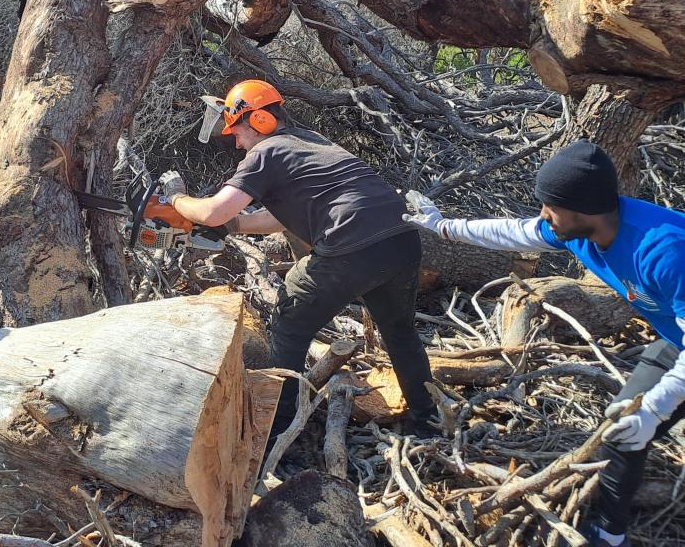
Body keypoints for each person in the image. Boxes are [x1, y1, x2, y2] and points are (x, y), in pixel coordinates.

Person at [403, 140, 685, 547]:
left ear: (581, 207)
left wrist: (656, 410)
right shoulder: (577, 230)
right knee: (622, 427)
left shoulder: (664, 250)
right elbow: (512, 231)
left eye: (549, 206)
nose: (542, 214)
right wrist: (443, 226)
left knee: (643, 418)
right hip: (676, 342)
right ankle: (609, 534)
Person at [163, 79, 437, 436]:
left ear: (259, 121)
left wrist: (176, 200)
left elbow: (213, 211)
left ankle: (278, 426)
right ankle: (427, 419)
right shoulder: (313, 143)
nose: (236, 141)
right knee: (401, 333)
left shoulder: (267, 151)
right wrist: (235, 226)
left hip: (349, 245)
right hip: (401, 240)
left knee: (290, 319)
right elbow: (278, 217)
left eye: (238, 131)